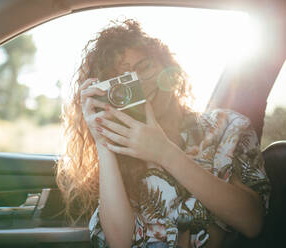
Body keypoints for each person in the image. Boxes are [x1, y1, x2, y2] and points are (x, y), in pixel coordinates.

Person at [56, 19, 271, 248]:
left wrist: (165, 153)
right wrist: (102, 139)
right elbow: (120, 242)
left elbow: (252, 221)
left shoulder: (227, 127)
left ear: (167, 67)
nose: (140, 84)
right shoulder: (123, 149)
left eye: (144, 67)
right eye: (123, 80)